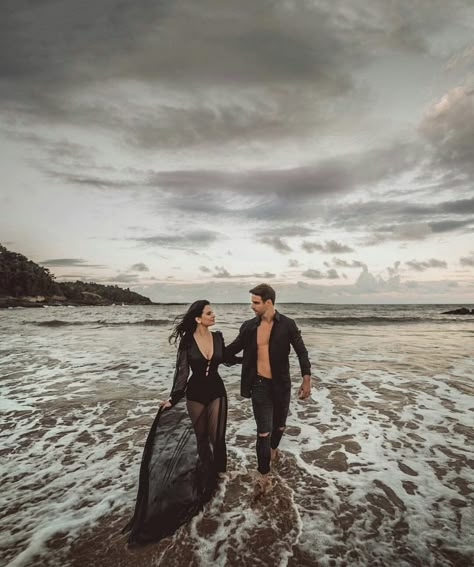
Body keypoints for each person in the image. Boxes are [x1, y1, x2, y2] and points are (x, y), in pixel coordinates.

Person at [124, 300, 238, 544]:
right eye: (209, 312)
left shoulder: (218, 336)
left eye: (212, 312)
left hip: (217, 392)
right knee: (201, 438)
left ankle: (216, 478)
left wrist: (255, 357)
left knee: (217, 439)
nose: (213, 315)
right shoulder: (187, 342)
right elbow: (182, 372)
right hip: (195, 395)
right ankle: (204, 482)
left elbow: (226, 358)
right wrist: (173, 398)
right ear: (198, 318)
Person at [225, 284, 312, 498]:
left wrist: (306, 380)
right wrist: (210, 348)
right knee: (263, 431)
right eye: (252, 302)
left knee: (280, 426)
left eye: (256, 302)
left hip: (281, 385)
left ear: (268, 303)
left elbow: (301, 352)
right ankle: (263, 475)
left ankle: (273, 450)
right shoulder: (248, 327)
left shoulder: (288, 325)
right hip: (259, 385)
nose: (252, 306)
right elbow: (230, 350)